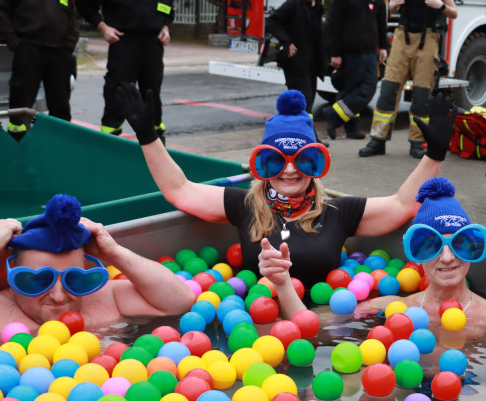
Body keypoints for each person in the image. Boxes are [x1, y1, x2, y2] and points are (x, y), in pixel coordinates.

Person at [116, 85, 455, 290]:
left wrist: (435, 155)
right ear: (261, 164)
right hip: (251, 331)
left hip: (323, 330)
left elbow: (402, 205)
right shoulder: (243, 206)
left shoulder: (339, 212)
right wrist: (148, 137)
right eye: (276, 160)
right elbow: (179, 190)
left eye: (304, 159)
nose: (290, 170)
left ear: (318, 162)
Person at [259, 177, 486, 357]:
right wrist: (282, 283)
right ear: (416, 254)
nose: (448, 257)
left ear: (474, 249)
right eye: (431, 245)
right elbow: (312, 327)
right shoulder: (394, 308)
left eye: (462, 244)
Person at [0, 195, 195, 340]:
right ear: (13, 273)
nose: (58, 296)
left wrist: (113, 251)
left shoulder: (106, 297)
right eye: (35, 281)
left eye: (76, 280)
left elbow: (179, 300)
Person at [358, 0, 457, 160]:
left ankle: (417, 143)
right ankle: (377, 140)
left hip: (427, 41)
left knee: (421, 96)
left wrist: (440, 5)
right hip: (403, 39)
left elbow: (453, 12)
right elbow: (392, 8)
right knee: (388, 90)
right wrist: (394, 4)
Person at [77, 0, 173, 142]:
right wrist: (103, 27)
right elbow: (85, 4)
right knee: (118, 93)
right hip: (124, 44)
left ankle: (156, 142)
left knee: (152, 94)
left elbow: (168, 4)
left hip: (153, 46)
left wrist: (166, 26)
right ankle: (111, 141)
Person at [0, 0, 79, 140]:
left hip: (60, 51)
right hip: (29, 49)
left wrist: (70, 41)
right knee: (20, 106)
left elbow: (70, 11)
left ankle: (59, 147)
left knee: (61, 107)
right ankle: (18, 145)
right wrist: (16, 44)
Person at [324, 0, 388, 140]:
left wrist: (383, 47)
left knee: (367, 88)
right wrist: (334, 54)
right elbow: (333, 27)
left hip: (370, 53)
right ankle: (352, 128)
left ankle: (334, 116)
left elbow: (381, 23)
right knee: (350, 90)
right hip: (349, 53)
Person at [266, 0, 328, 115]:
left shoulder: (319, 6)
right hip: (296, 63)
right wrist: (287, 42)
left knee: (309, 102)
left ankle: (306, 136)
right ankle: (308, 137)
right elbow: (272, 21)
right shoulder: (294, 3)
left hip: (312, 65)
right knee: (304, 101)